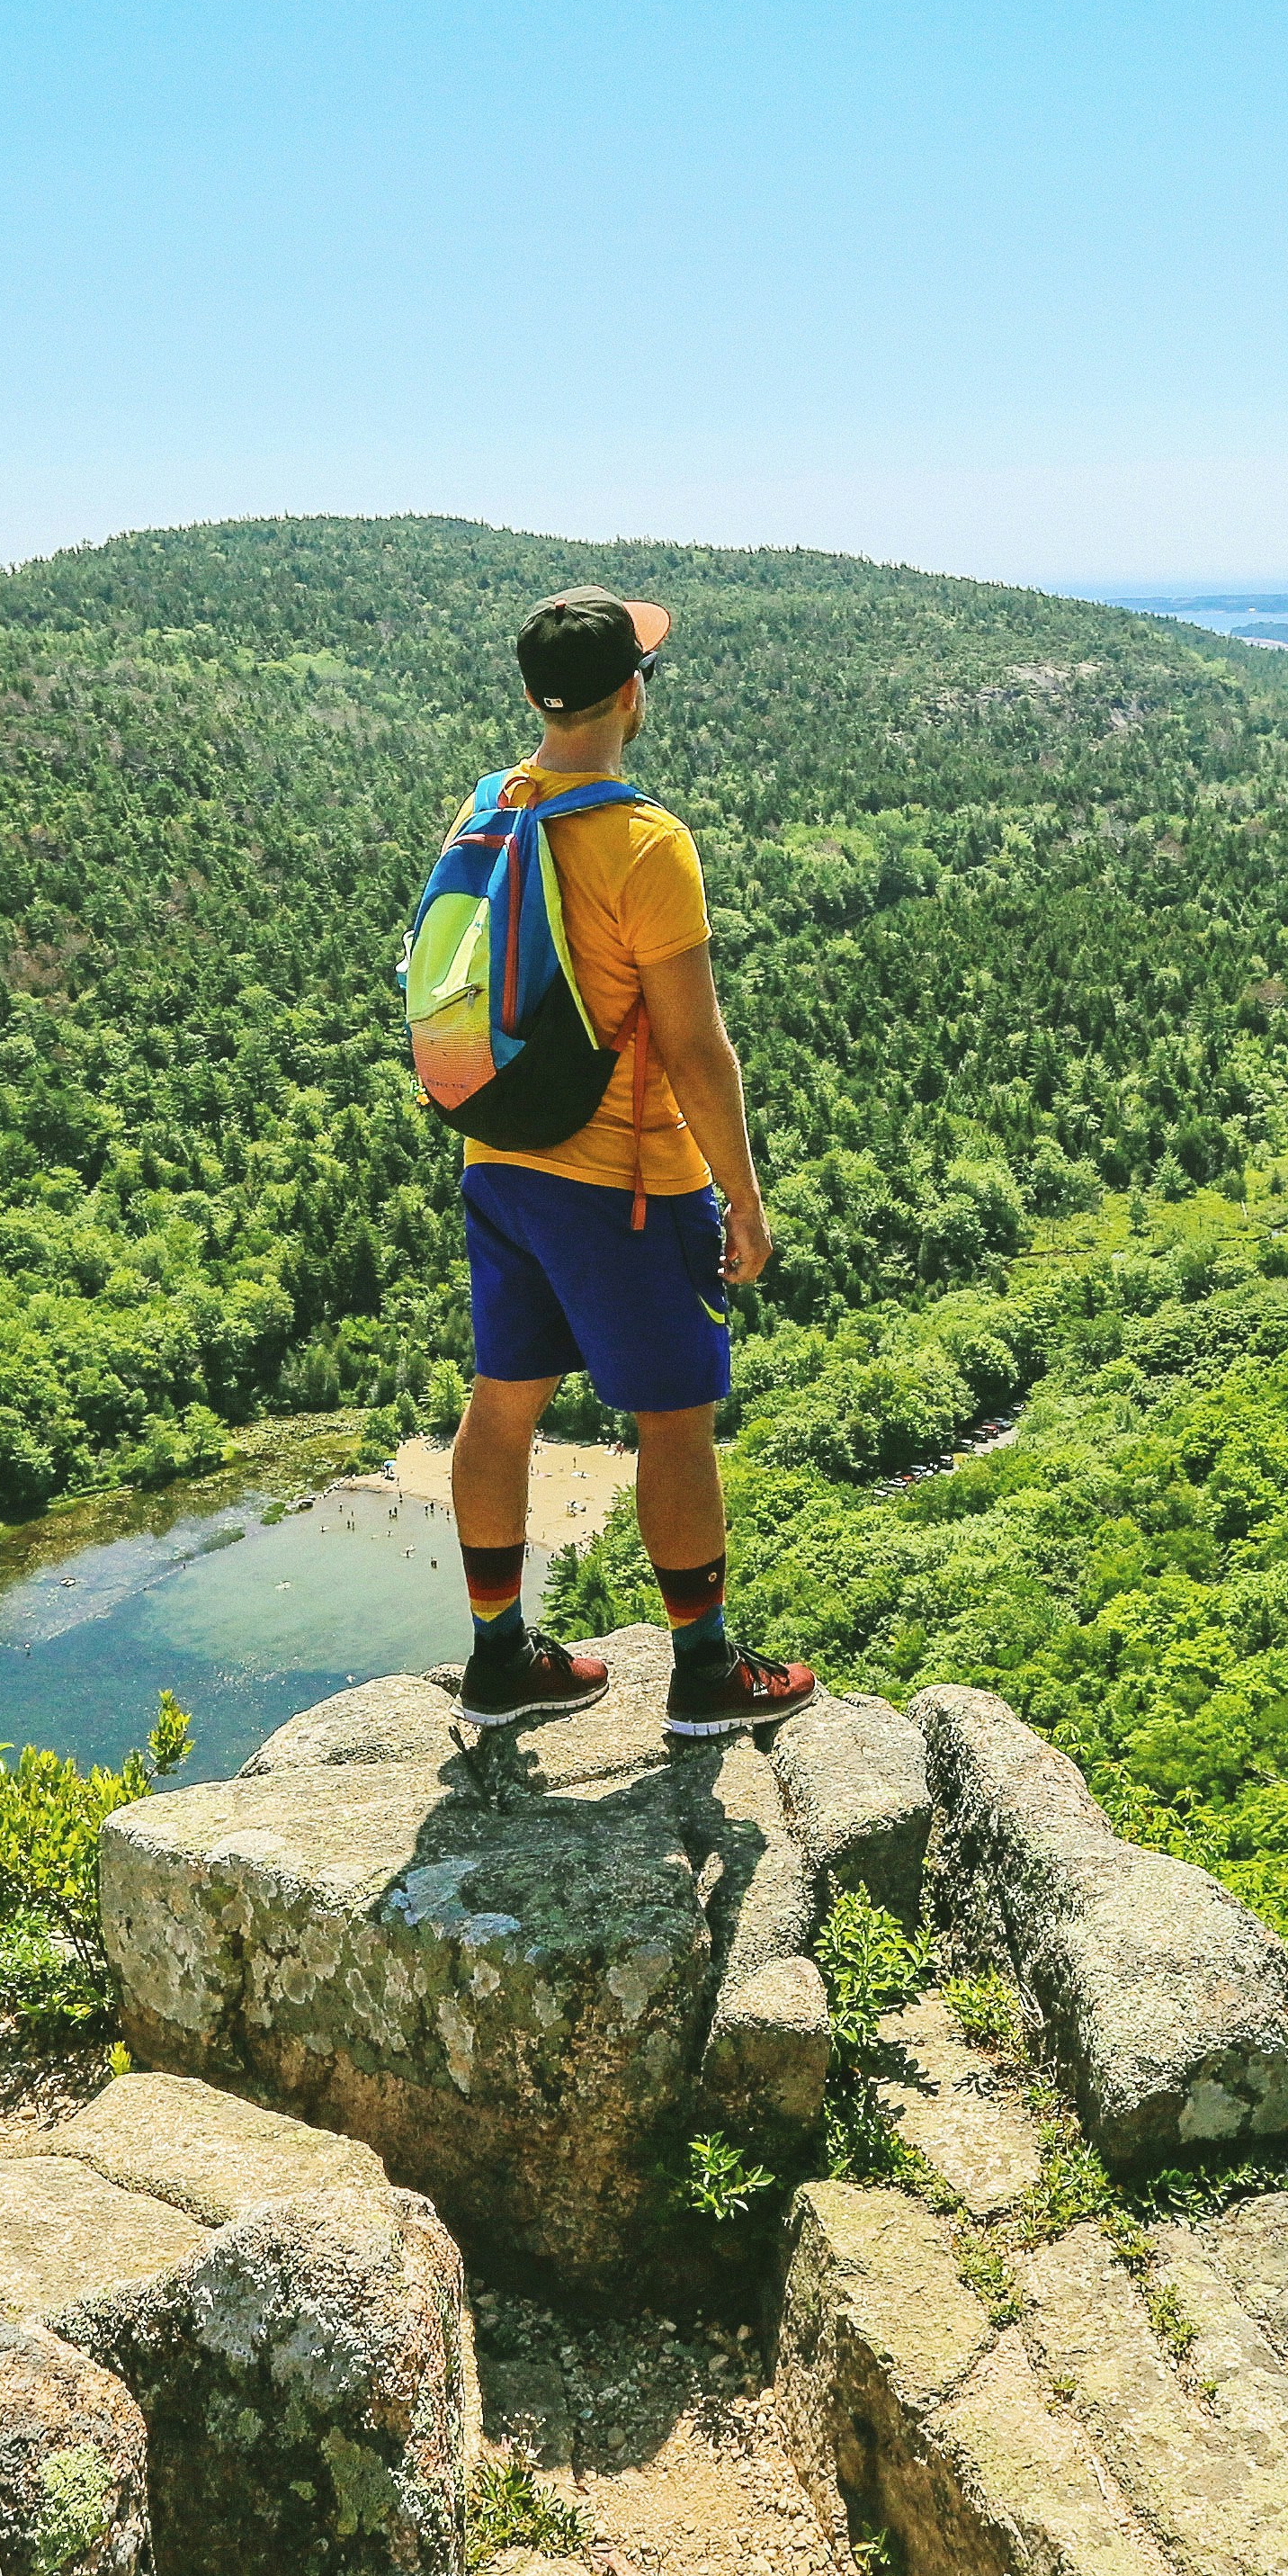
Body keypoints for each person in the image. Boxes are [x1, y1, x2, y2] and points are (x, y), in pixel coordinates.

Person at [443, 587, 819, 1737]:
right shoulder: (646, 842)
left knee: (504, 1402)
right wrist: (744, 1201)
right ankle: (705, 1676)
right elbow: (698, 1048)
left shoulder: (492, 806)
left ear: (534, 698)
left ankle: (499, 1659)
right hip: (626, 1185)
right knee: (673, 1419)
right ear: (631, 695)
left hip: (499, 1159)